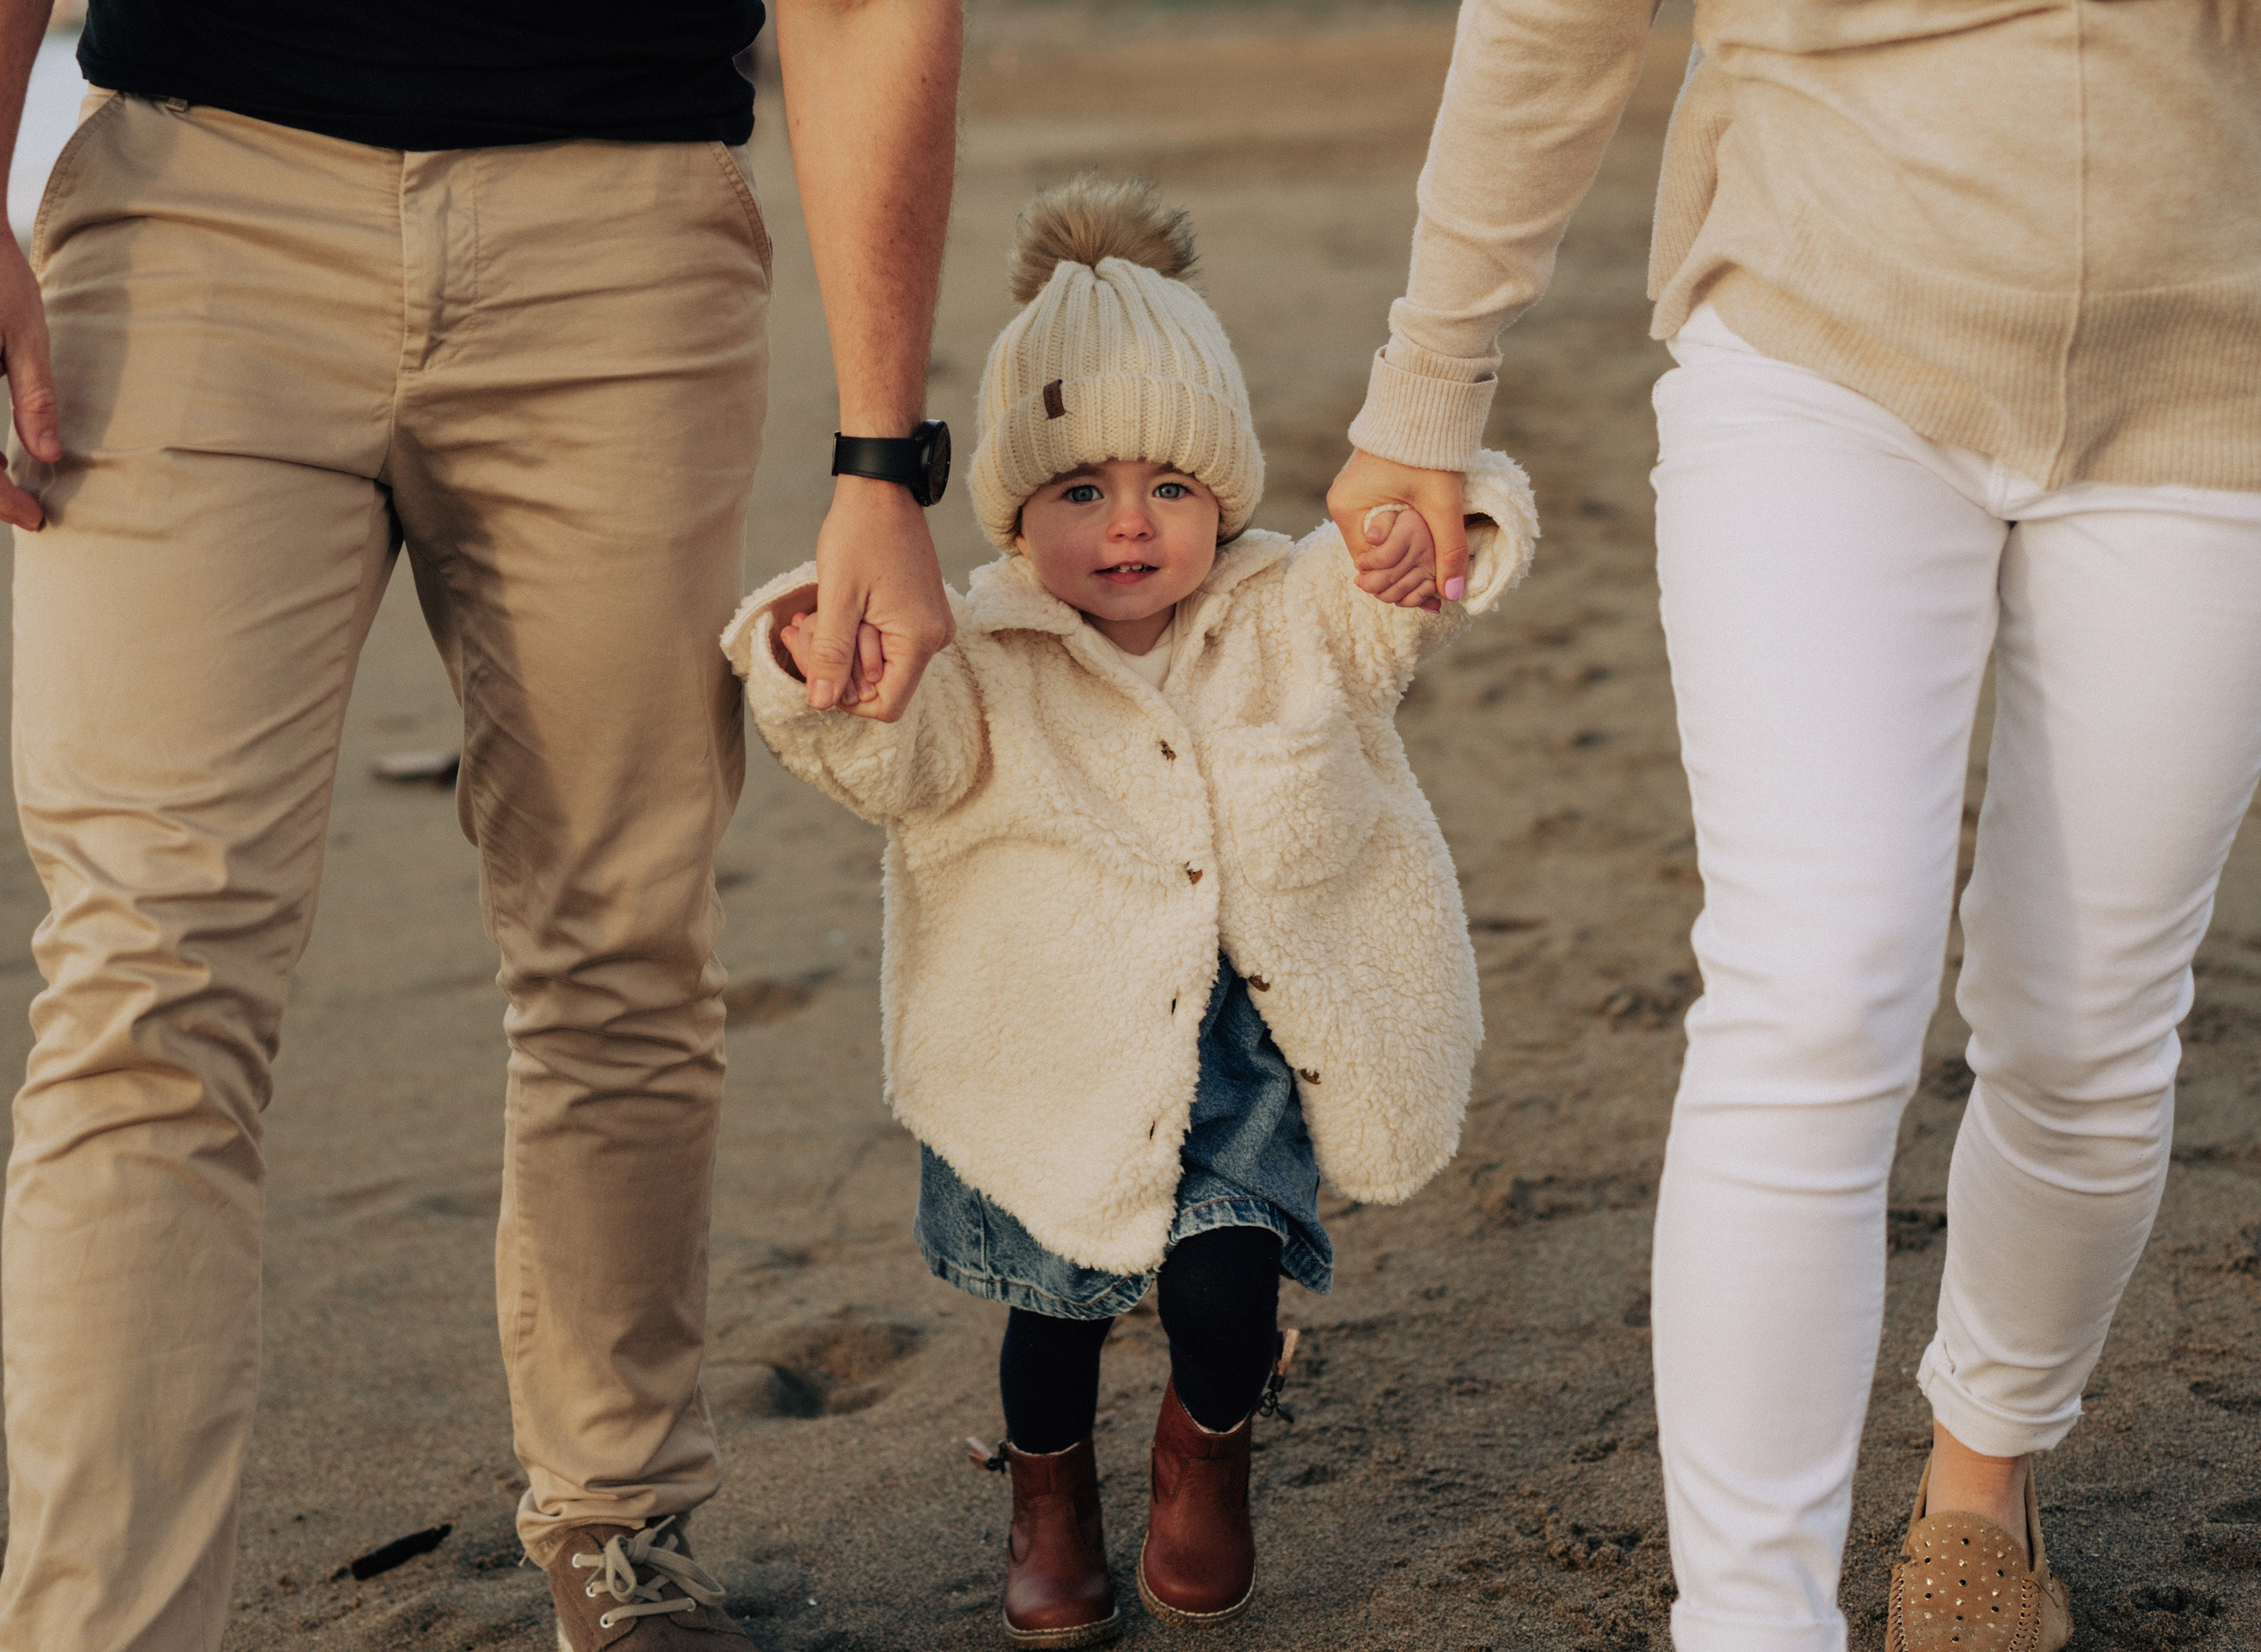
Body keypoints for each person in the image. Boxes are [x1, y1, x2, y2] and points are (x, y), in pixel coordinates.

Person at [0, 0, 962, 1644]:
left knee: (620, 945)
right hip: (195, 210)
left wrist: (880, 464)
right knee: (146, 980)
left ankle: (620, 1528)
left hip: (622, 233)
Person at [1327, 9, 2261, 1652]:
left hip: (2216, 384)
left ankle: (1982, 1476)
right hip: (1823, 326)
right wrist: (1432, 375)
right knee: (1813, 985)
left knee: (2087, 1030)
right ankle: (1750, 1620)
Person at [724, 177, 1537, 1646]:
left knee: (1228, 1288)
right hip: (1043, 1042)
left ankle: (1202, 1442)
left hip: (1236, 1031)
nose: (1127, 528)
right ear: (1013, 509)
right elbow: (889, 760)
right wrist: (817, 670)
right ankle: (1049, 1493)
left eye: (1169, 487)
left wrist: (1436, 528)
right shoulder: (976, 647)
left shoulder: (1286, 605)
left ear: (1220, 496)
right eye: (1079, 490)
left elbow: (1392, 600)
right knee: (1056, 1316)